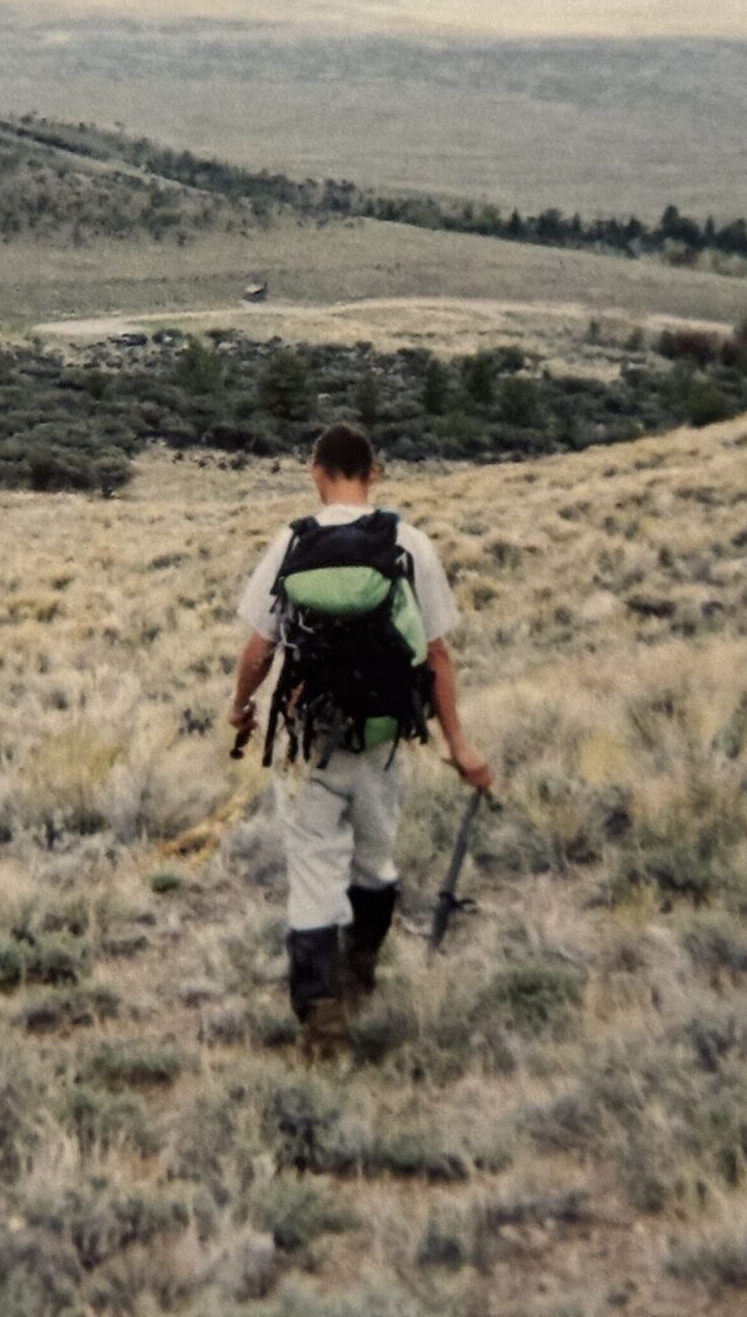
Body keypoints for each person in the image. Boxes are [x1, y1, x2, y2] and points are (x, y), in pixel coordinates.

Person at [227, 423, 495, 1057]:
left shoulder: (292, 542)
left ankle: (323, 1021)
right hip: (382, 740)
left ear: (315, 471)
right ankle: (361, 971)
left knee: (314, 872)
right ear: (374, 473)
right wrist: (459, 745)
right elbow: (436, 656)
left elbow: (260, 648)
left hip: (308, 740)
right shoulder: (408, 545)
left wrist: (240, 707)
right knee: (375, 861)